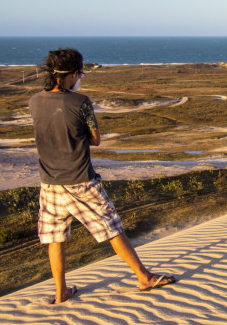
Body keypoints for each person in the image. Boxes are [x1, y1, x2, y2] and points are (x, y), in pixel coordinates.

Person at [29, 48, 176, 304]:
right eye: (79, 73)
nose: (79, 78)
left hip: (49, 182)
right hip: (80, 180)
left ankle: (60, 292)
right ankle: (144, 277)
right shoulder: (80, 102)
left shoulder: (34, 101)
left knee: (55, 238)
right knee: (112, 229)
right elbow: (95, 139)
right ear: (73, 73)